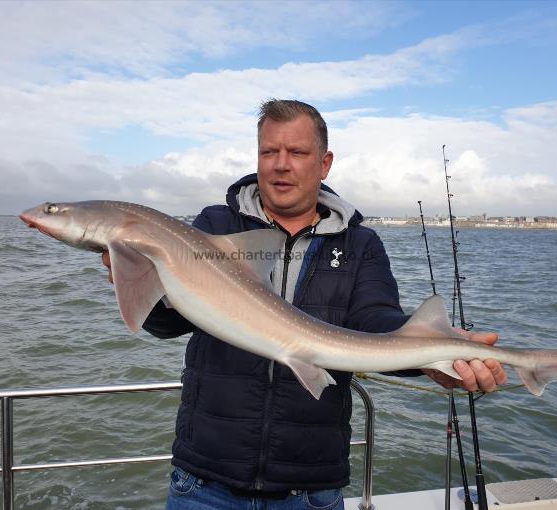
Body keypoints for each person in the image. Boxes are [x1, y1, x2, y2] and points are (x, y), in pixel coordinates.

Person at [102, 99, 507, 510]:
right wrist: (136, 276)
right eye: (268, 151)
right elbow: (169, 322)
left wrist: (429, 353)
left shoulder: (359, 244)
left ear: (325, 162)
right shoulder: (216, 227)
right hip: (205, 483)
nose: (281, 164)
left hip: (310, 490)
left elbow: (373, 321)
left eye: (297, 152)